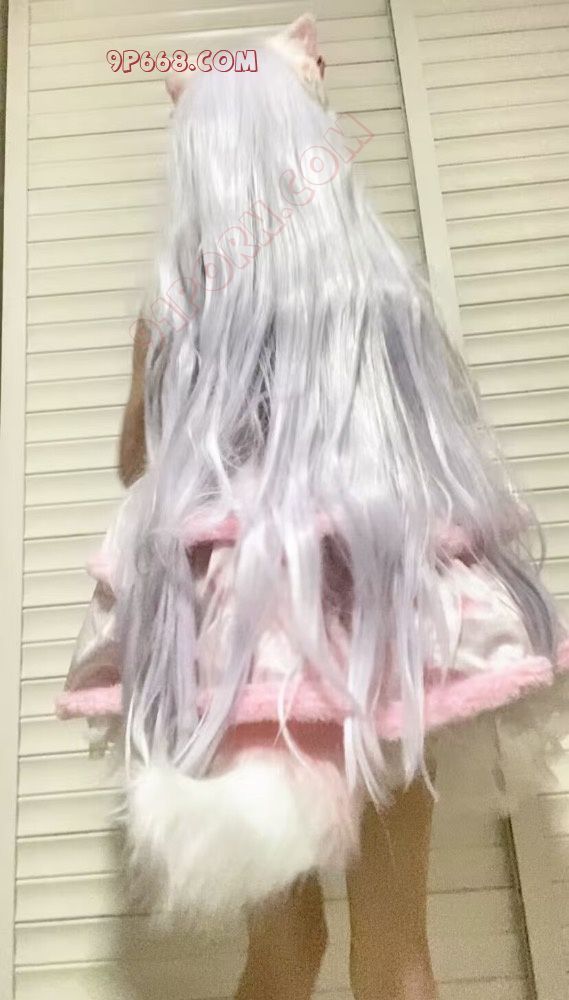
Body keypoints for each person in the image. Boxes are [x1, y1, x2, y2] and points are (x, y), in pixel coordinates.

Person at [57, 15, 568, 1000]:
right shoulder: (375, 285)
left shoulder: (178, 302)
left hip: (247, 635)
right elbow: (428, 442)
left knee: (283, 952)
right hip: (376, 606)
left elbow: (137, 466)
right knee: (399, 949)